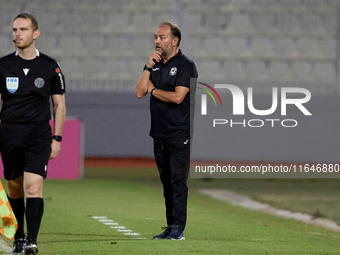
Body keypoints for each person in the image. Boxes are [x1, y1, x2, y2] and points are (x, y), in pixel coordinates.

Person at [0, 13, 66, 254]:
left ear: (35, 34)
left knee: (33, 187)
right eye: (15, 29)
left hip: (38, 133)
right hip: (8, 133)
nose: (17, 33)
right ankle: (18, 237)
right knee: (15, 187)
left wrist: (57, 138)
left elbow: (59, 105)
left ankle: (32, 240)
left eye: (23, 29)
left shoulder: (50, 66)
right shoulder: (3, 65)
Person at [135, 21, 198, 240]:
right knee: (166, 183)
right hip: (159, 133)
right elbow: (139, 92)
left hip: (179, 133)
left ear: (174, 40)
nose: (157, 41)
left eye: (161, 37)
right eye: (155, 37)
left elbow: (178, 97)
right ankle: (171, 225)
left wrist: (154, 92)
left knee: (178, 181)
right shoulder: (155, 65)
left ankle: (179, 227)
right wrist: (147, 67)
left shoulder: (185, 65)